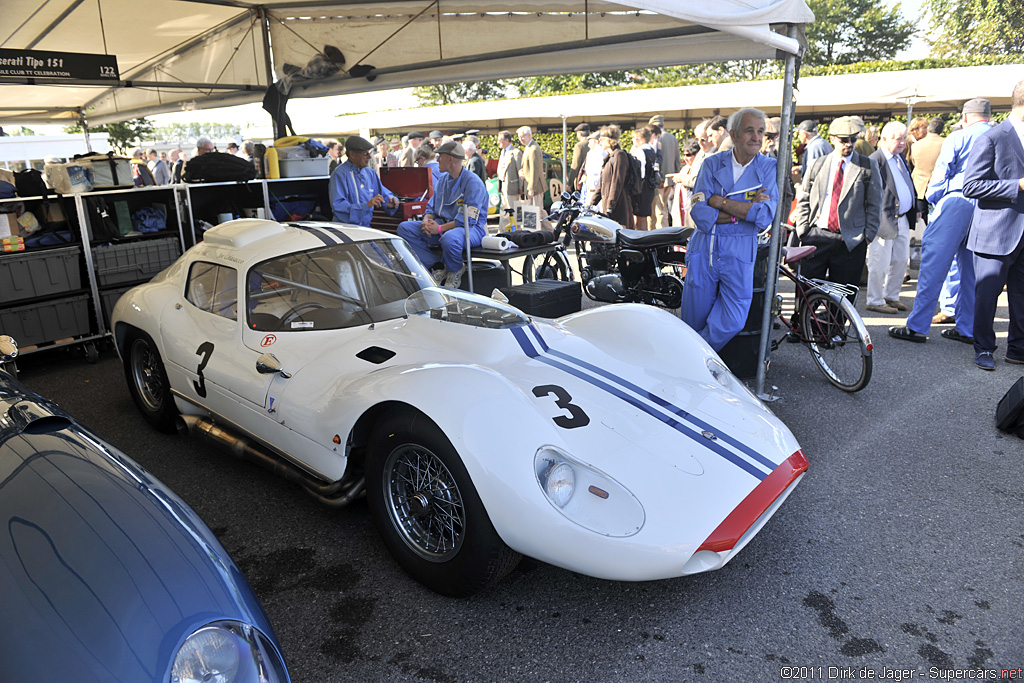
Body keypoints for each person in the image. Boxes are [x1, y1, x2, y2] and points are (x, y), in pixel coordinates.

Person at [889, 98, 993, 346]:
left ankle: (917, 327)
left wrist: (934, 201)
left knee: (933, 266)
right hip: (986, 205)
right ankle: (967, 328)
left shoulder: (958, 137)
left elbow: (941, 174)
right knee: (970, 271)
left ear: (966, 117)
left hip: (956, 201)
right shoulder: (999, 136)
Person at [681, 108, 777, 352]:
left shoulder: (768, 167)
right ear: (733, 135)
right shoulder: (712, 164)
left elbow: (764, 216)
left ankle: (692, 354)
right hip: (705, 248)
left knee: (733, 318)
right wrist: (745, 211)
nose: (756, 137)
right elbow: (700, 215)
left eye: (760, 131)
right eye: (749, 131)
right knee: (694, 319)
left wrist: (720, 202)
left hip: (740, 251)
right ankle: (693, 371)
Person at [963, 82, 1024, 370]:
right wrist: (1017, 186)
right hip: (995, 233)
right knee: (987, 297)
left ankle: (1018, 348)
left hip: (1021, 233)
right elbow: (971, 185)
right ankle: (984, 348)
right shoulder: (991, 138)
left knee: (1021, 297)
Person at [792, 116, 882, 293]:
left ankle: (836, 322)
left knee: (843, 298)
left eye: (853, 140)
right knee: (806, 293)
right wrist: (804, 230)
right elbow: (804, 198)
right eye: (844, 140)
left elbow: (875, 203)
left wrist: (868, 235)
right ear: (832, 139)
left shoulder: (867, 166)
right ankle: (806, 321)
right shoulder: (817, 164)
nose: (849, 144)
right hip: (817, 235)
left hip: (850, 240)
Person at [397, 141, 489, 288]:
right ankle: (437, 265)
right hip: (442, 226)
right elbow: (431, 208)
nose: (437, 160)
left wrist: (439, 229)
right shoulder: (443, 180)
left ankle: (455, 269)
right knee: (404, 228)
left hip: (471, 229)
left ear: (450, 159)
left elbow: (468, 220)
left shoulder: (473, 182)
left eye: (440, 156)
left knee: (450, 238)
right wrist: (426, 221)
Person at [865, 121, 914, 314]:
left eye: (904, 138)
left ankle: (891, 296)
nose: (902, 142)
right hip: (883, 218)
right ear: (883, 139)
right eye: (898, 139)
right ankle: (875, 300)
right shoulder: (876, 159)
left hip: (901, 218)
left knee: (901, 260)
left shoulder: (900, 158)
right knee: (880, 262)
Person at [328, 135, 399, 227]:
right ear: (352, 154)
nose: (369, 157)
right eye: (365, 154)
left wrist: (391, 201)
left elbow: (383, 194)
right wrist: (366, 206)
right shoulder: (340, 174)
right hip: (345, 229)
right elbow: (339, 207)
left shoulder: (370, 173)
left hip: (365, 228)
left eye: (369, 153)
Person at [590, 125, 633, 229]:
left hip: (619, 205)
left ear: (609, 140)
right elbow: (602, 183)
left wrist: (611, 205)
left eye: (602, 139)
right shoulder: (609, 157)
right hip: (609, 204)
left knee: (620, 236)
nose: (599, 141)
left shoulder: (619, 155)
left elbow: (617, 182)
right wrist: (592, 203)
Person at [910, 117, 946, 225]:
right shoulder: (946, 143)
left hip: (919, 185)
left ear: (929, 129)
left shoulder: (916, 145)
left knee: (922, 219)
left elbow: (913, 162)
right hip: (939, 184)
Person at [649, 114, 681, 228]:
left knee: (655, 211)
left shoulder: (653, 139)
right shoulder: (672, 138)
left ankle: (656, 235)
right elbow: (677, 159)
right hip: (670, 179)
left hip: (657, 180)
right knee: (663, 209)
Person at [630, 127, 656, 230]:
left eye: (634, 138)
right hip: (649, 186)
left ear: (639, 139)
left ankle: (640, 241)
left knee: (640, 218)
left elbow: (640, 173)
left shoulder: (641, 151)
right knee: (643, 216)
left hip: (641, 188)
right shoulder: (651, 150)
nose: (632, 140)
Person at [495, 130, 522, 228]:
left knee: (514, 209)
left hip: (512, 187)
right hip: (503, 185)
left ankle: (517, 230)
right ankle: (502, 231)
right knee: (503, 210)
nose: (498, 142)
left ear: (507, 140)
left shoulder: (516, 152)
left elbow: (520, 170)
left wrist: (521, 187)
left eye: (500, 140)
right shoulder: (502, 152)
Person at [517, 126, 544, 208]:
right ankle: (547, 221)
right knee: (539, 212)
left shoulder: (533, 149)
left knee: (536, 212)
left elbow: (534, 171)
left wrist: (531, 189)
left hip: (535, 188)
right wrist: (520, 172)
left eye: (522, 136)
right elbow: (525, 166)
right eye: (519, 137)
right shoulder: (528, 147)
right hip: (530, 186)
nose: (521, 139)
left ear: (529, 135)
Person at [568, 123, 589, 191]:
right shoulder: (594, 143)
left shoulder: (579, 146)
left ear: (580, 133)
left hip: (581, 180)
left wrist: (569, 183)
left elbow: (575, 165)